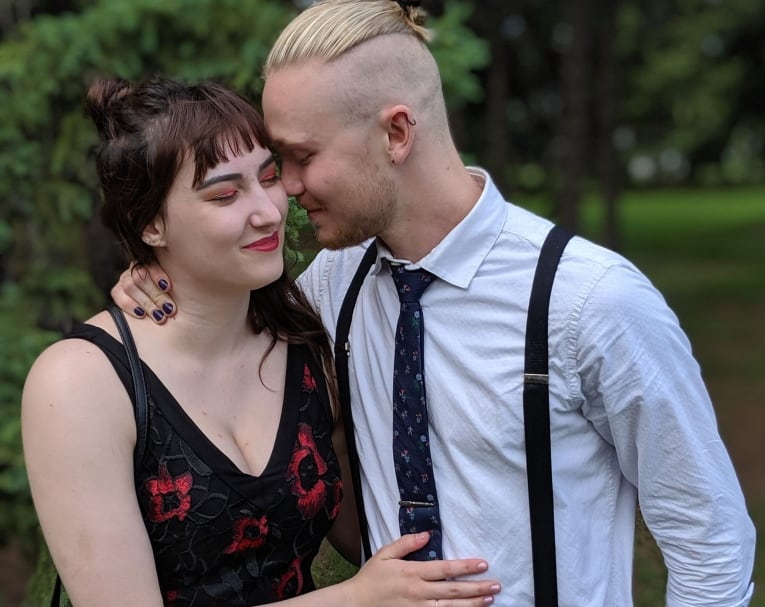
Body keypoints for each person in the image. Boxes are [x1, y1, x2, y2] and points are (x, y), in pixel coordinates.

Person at [111, 0, 757, 604]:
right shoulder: (330, 284)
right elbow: (220, 333)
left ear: (396, 133)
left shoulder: (589, 300)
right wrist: (156, 275)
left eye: (301, 157)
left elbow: (710, 539)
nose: (288, 190)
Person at [21, 77, 502, 607]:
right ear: (150, 224)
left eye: (268, 177)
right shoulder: (82, 383)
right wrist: (355, 600)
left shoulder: (305, 341)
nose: (270, 212)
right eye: (225, 194)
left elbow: (364, 531)